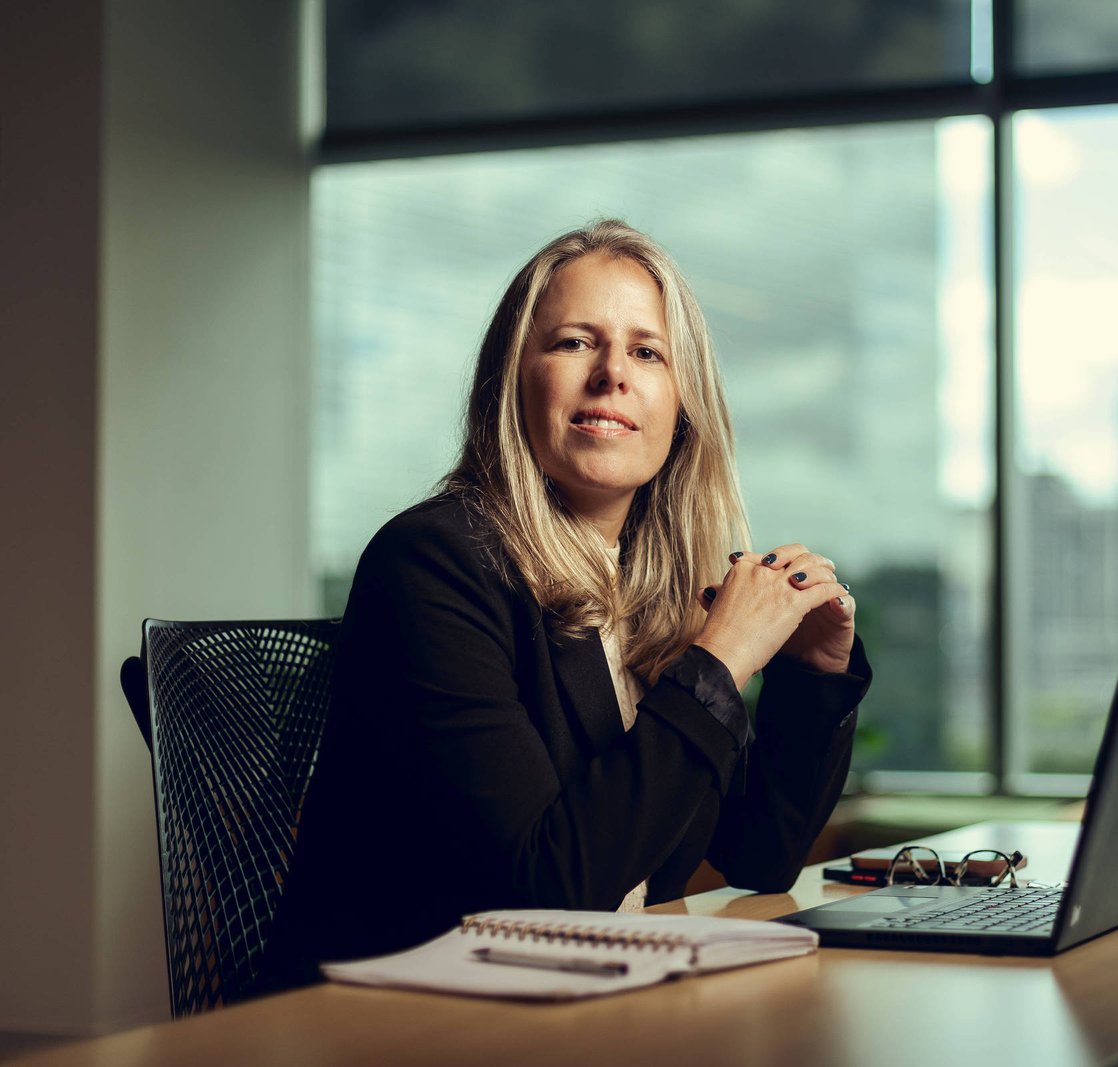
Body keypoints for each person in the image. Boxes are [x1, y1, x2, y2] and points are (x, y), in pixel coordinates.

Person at [259, 219, 870, 989]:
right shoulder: (433, 563)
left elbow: (763, 853)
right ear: (514, 378)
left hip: (596, 1002)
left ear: (683, 406)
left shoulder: (653, 589)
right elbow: (545, 891)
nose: (613, 373)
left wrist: (812, 676)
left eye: (648, 352)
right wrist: (720, 661)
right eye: (576, 342)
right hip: (402, 1023)